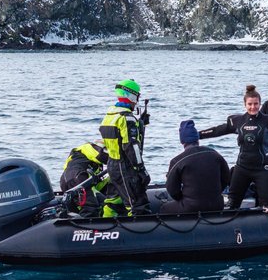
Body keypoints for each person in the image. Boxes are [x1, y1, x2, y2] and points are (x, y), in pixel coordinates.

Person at [98, 79, 151, 215]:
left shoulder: (109, 116)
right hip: (125, 167)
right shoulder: (126, 118)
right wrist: (141, 169)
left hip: (112, 165)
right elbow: (131, 147)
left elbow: (116, 140)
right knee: (138, 205)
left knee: (114, 201)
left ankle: (105, 227)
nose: (136, 101)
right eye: (137, 97)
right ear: (131, 96)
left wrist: (140, 125)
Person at [162, 120, 230, 214]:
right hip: (217, 204)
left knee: (164, 208)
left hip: (191, 206)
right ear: (197, 139)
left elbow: (172, 189)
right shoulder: (215, 154)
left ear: (182, 141)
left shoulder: (177, 161)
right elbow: (226, 178)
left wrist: (181, 198)